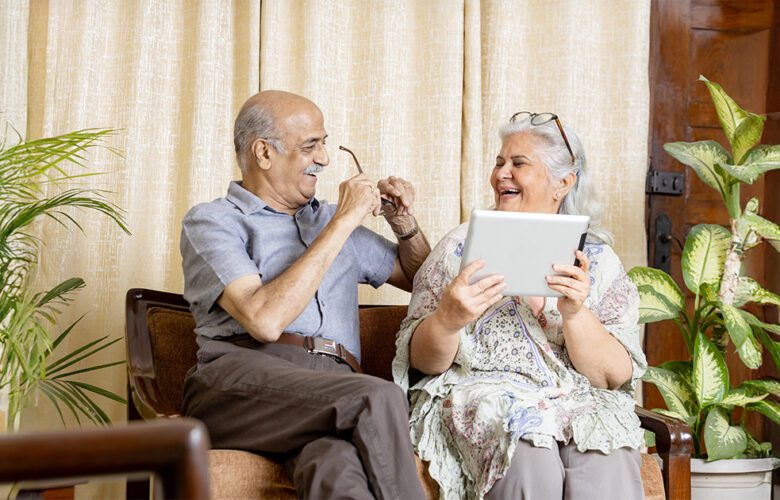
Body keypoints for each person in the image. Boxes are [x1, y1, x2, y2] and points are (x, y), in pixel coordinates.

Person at [179, 90, 430, 500]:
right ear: (263, 153)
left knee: (333, 465)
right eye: (311, 145)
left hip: (331, 389)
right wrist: (345, 221)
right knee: (377, 396)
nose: (326, 158)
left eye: (325, 143)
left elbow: (423, 281)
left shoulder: (330, 220)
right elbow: (263, 320)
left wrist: (405, 226)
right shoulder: (213, 222)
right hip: (241, 380)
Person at [392, 112, 647, 499]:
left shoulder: (598, 261)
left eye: (518, 163)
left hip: (578, 399)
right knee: (528, 452)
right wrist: (447, 319)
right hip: (484, 398)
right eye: (499, 163)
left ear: (564, 182)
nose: (501, 174)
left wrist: (576, 313)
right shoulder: (457, 249)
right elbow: (423, 363)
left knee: (606, 450)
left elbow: (612, 376)